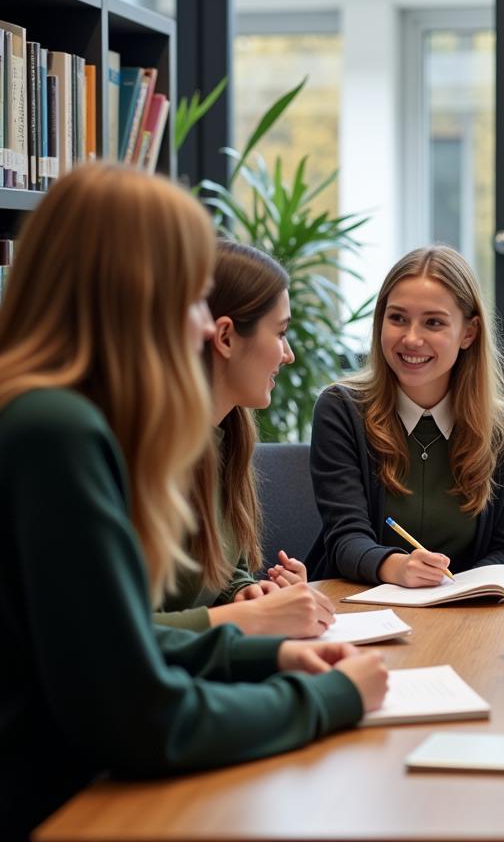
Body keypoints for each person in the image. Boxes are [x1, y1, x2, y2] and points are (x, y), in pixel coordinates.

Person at [0, 164, 387, 841]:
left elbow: (110, 647)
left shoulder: (41, 413)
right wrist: (329, 699)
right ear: (135, 297)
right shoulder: (57, 430)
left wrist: (260, 656)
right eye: (193, 298)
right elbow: (142, 718)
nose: (205, 325)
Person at [306, 245, 504, 586]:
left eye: (433, 323)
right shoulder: (341, 409)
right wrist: (396, 567)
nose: (412, 338)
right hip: (361, 612)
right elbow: (345, 541)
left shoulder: (502, 427)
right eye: (397, 318)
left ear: (468, 333)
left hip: (466, 613)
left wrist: (461, 591)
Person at [154, 240, 333, 637]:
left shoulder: (226, 436)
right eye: (280, 333)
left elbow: (217, 575)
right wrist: (254, 617)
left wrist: (246, 592)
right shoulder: (141, 458)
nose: (288, 355)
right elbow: (110, 635)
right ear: (226, 337)